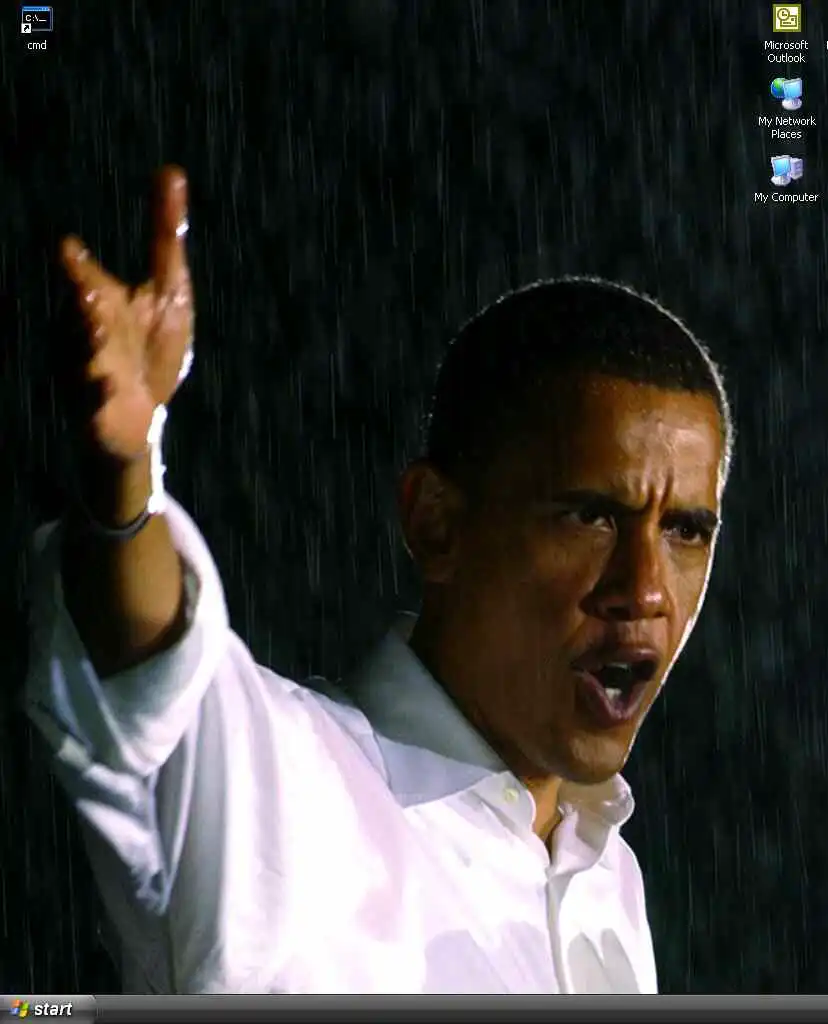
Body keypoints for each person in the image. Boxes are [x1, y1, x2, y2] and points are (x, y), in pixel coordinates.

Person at [23, 166, 734, 994]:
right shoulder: (286, 789)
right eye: (592, 516)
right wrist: (125, 482)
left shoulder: (605, 872)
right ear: (436, 525)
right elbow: (151, 669)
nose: (646, 590)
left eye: (686, 531)